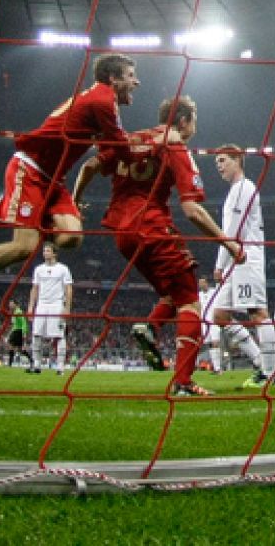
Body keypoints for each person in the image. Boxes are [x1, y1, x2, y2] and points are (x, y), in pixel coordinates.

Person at [0, 53, 138, 325]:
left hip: (54, 181)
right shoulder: (103, 101)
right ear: (113, 79)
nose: (136, 82)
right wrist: (153, 149)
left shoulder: (101, 103)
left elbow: (107, 153)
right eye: (130, 76)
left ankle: (8, 208)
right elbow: (123, 150)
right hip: (29, 170)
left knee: (71, 238)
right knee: (24, 247)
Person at [74, 95, 243, 397]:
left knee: (172, 293)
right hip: (152, 227)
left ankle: (150, 328)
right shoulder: (176, 147)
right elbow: (192, 210)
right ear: (183, 120)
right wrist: (228, 243)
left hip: (121, 233)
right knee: (191, 298)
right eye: (194, 119)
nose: (195, 126)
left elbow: (88, 166)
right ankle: (183, 383)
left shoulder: (131, 138)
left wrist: (74, 202)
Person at [210, 145, 273, 385]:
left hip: (246, 256)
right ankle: (259, 361)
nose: (219, 166)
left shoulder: (243, 188)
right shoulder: (235, 191)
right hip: (235, 259)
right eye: (216, 162)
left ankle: (269, 373)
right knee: (219, 315)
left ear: (238, 160)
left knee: (257, 313)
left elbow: (232, 231)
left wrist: (219, 264)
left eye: (223, 160)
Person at [28, 243, 73, 374]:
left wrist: (67, 307)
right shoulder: (38, 269)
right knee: (36, 334)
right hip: (41, 305)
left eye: (48, 251)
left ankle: (60, 366)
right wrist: (31, 306)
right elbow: (35, 288)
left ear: (54, 253)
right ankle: (36, 364)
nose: (45, 253)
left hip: (57, 305)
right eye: (44, 251)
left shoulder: (63, 269)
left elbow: (68, 288)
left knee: (59, 336)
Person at [199, 277, 226, 373]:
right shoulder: (199, 295)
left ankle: (219, 368)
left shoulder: (214, 292)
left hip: (214, 321)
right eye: (200, 283)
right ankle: (215, 367)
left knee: (215, 342)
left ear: (207, 283)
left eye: (202, 283)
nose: (201, 285)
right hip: (204, 323)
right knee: (210, 344)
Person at [4, 299, 35, 371]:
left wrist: (24, 332)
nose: (10, 305)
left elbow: (24, 322)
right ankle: (31, 360)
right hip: (16, 331)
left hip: (18, 331)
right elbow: (15, 323)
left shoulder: (18, 312)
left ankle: (10, 364)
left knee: (11, 346)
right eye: (10, 304)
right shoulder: (15, 312)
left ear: (16, 304)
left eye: (11, 304)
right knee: (19, 349)